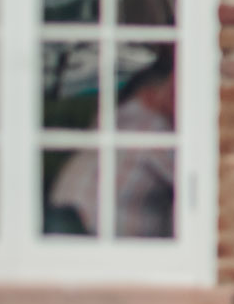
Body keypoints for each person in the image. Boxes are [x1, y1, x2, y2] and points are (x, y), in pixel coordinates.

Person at [48, 53, 176, 238]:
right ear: (149, 93)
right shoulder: (148, 126)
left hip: (72, 230)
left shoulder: (117, 119)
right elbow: (198, 183)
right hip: (92, 240)